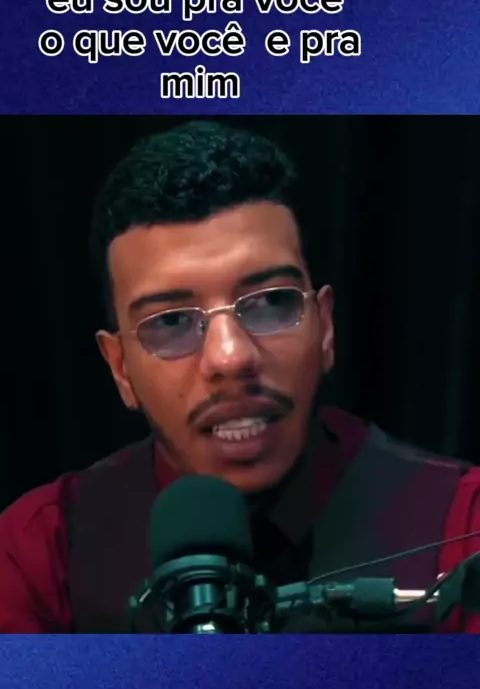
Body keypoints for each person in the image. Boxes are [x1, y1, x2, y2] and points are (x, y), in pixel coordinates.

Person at [1, 120, 480, 633]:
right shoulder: (42, 553)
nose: (230, 357)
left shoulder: (461, 525)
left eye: (271, 302)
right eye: (171, 322)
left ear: (325, 328)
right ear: (120, 367)